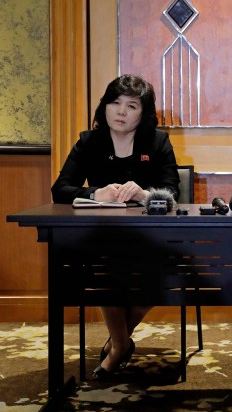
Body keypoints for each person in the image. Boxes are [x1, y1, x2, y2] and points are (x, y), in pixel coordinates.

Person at [51, 74, 180, 379]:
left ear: (144, 113)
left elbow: (174, 194)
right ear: (104, 107)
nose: (121, 111)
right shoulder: (89, 142)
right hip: (104, 238)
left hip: (152, 239)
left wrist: (145, 194)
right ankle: (121, 345)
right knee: (104, 269)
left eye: (131, 105)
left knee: (166, 272)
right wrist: (96, 193)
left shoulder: (158, 142)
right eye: (115, 103)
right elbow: (60, 189)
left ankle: (118, 342)